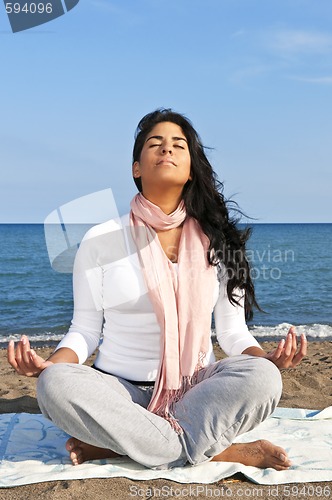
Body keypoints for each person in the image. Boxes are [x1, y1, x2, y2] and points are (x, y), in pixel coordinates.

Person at [8, 108, 306, 471]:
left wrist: (268, 360)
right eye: (155, 144)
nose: (167, 149)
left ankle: (127, 446)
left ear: (191, 168)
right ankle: (217, 449)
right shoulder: (101, 239)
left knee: (263, 378)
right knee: (54, 384)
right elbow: (84, 330)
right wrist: (49, 364)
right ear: (137, 167)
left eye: (178, 145)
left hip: (195, 390)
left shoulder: (219, 241)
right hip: (117, 391)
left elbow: (232, 332)